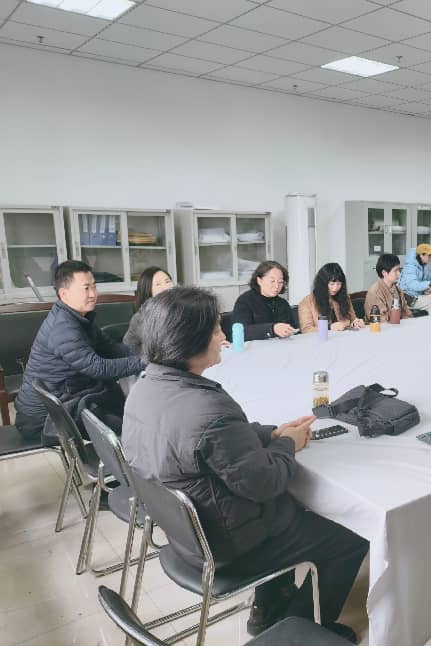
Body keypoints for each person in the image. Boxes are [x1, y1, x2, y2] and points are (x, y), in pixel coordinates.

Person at [122, 287, 368, 642]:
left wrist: (271, 433)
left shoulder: (145, 386)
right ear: (189, 341)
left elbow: (214, 443)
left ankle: (267, 608)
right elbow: (266, 482)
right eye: (215, 329)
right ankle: (300, 628)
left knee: (291, 507)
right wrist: (288, 443)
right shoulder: (207, 409)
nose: (222, 335)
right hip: (228, 545)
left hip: (183, 533)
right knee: (349, 535)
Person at [14, 260, 144, 442]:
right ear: (64, 294)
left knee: (122, 405)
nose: (93, 294)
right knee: (123, 422)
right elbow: (98, 368)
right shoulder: (63, 327)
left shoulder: (79, 318)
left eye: (94, 287)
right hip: (43, 419)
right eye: (86, 288)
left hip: (64, 397)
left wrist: (148, 356)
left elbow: (112, 349)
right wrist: (144, 362)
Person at [232, 261, 299, 341]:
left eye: (280, 282)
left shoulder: (282, 303)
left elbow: (293, 328)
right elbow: (241, 332)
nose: (276, 286)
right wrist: (272, 329)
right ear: (259, 281)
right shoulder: (245, 301)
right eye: (272, 281)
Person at [298, 263, 364, 334]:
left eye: (339, 284)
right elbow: (306, 330)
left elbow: (352, 319)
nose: (335, 288)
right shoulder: (307, 302)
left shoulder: (344, 297)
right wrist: (329, 328)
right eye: (332, 284)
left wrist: (356, 323)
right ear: (323, 283)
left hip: (344, 337)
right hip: (321, 340)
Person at [123, 266, 174, 355]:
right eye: (158, 284)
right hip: (141, 359)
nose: (166, 287)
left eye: (167, 281)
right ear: (148, 290)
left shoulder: (177, 308)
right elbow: (164, 345)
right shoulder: (141, 317)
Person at [364, 253, 413, 323]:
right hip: (381, 328)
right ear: (384, 273)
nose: (399, 274)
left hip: (397, 326)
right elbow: (382, 321)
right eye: (395, 270)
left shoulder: (398, 290)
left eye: (399, 270)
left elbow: (407, 313)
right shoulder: (375, 292)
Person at [398, 243, 431, 313]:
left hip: (417, 296)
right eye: (429, 255)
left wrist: (427, 290)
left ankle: (429, 318)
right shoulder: (410, 267)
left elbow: (427, 282)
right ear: (421, 255)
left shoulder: (426, 266)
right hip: (407, 298)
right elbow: (413, 285)